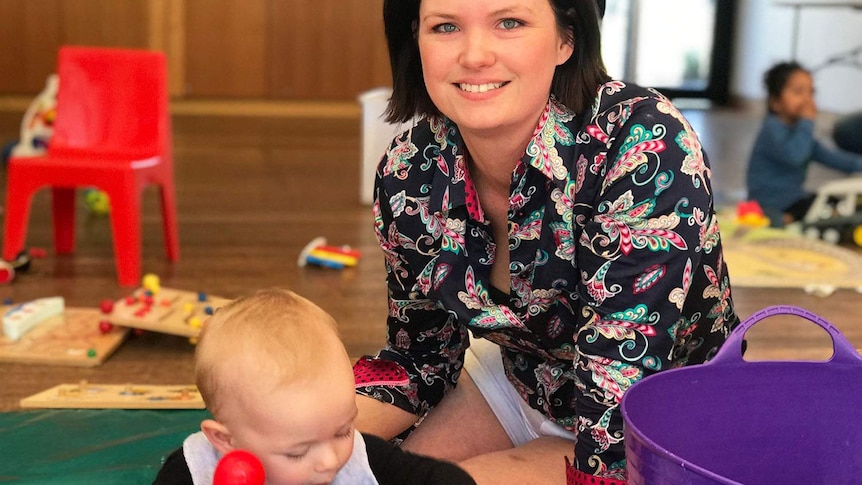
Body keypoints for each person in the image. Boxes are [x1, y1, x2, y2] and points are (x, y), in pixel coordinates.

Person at [353, 0, 739, 484]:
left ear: (566, 38)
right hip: (529, 380)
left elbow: (616, 394)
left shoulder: (642, 143)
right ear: (416, 40)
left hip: (658, 425)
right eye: (445, 26)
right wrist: (293, 425)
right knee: (335, 466)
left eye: (509, 22)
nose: (474, 55)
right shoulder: (409, 171)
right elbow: (420, 358)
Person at [152, 288, 476, 485]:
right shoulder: (194, 470)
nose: (330, 461)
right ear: (226, 439)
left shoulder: (358, 461)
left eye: (342, 431)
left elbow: (443, 479)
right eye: (298, 452)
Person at [746, 61, 862, 227]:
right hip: (769, 204)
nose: (807, 100)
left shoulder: (801, 134)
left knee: (836, 202)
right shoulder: (772, 129)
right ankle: (780, 221)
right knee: (821, 210)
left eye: (811, 92)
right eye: (798, 91)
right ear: (776, 102)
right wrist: (807, 122)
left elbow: (834, 158)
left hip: (793, 199)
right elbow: (795, 155)